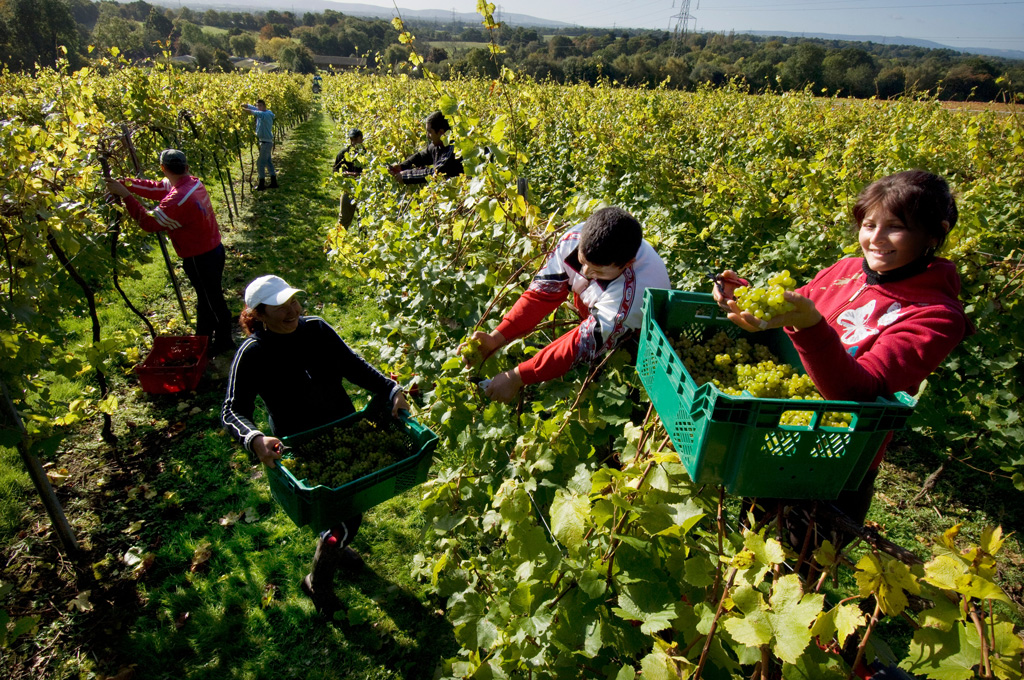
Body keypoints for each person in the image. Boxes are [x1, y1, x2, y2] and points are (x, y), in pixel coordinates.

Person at [713, 169, 970, 524]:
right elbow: (793, 307)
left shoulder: (936, 316)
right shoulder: (846, 270)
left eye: (895, 227)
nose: (876, 239)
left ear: (933, 234)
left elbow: (858, 388)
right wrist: (742, 293)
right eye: (868, 225)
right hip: (781, 433)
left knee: (800, 565)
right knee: (751, 544)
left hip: (835, 458)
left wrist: (809, 325)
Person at [221, 275, 409, 617]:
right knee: (344, 512)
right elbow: (232, 409)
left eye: (294, 300)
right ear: (259, 314)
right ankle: (318, 581)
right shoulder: (254, 353)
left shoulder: (317, 330)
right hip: (301, 449)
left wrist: (389, 389)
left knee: (348, 508)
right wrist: (254, 438)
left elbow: (353, 365)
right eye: (280, 306)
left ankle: (335, 542)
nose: (294, 310)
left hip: (343, 434)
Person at [466, 207, 671, 403]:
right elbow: (542, 295)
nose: (586, 273)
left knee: (627, 370)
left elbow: (579, 344)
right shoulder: (575, 239)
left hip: (635, 336)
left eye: (598, 272)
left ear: (627, 264)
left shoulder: (635, 292)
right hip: (602, 316)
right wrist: (496, 337)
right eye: (582, 261)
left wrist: (518, 376)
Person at [105, 149, 236, 357]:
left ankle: (224, 342)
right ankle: (203, 336)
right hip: (213, 249)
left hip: (199, 257)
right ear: (186, 167)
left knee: (212, 300)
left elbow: (149, 223)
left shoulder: (178, 199)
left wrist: (126, 196)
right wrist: (125, 183)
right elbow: (158, 188)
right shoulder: (193, 183)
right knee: (206, 297)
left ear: (163, 168)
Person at [388, 111, 463, 185]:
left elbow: (436, 173)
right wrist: (402, 166)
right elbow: (421, 156)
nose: (427, 136)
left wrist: (406, 175)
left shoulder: (452, 149)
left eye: (430, 132)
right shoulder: (438, 145)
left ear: (441, 132)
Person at [241, 99, 277, 190]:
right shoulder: (263, 112)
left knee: (260, 163)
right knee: (268, 162)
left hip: (266, 143)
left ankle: (261, 184)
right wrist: (246, 105)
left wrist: (245, 110)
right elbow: (255, 109)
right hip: (265, 142)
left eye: (260, 106)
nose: (258, 108)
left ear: (264, 106)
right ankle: (274, 182)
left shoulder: (266, 114)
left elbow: (255, 112)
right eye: (258, 106)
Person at [333, 128, 363, 228]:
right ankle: (338, 241)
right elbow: (335, 171)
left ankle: (364, 241)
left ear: (361, 139)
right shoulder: (343, 154)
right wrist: (343, 174)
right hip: (348, 190)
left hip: (363, 190)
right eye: (351, 139)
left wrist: (358, 175)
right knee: (344, 219)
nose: (353, 142)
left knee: (363, 220)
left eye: (355, 139)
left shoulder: (366, 155)